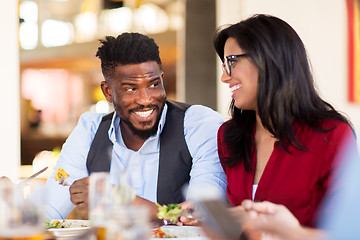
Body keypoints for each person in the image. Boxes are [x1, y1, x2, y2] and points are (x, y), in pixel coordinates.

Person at [44, 32, 227, 220]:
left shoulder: (199, 124)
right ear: (108, 92)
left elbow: (204, 213)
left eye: (154, 84)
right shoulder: (89, 131)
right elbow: (47, 215)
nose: (146, 99)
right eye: (131, 89)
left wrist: (122, 200)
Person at [214, 14, 356, 227]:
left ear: (268, 59)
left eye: (231, 62)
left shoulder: (332, 135)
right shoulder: (228, 136)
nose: (224, 77)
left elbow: (348, 232)